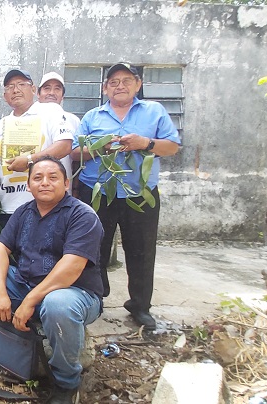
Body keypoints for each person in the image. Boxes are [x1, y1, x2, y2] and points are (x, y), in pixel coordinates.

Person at [0, 156, 103, 404]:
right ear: (29, 184)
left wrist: (30, 300)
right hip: (24, 282)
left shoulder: (82, 215)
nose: (45, 183)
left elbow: (71, 267)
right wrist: (0, 291)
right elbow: (1, 248)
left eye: (53, 177)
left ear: (66, 183)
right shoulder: (24, 211)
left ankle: (66, 382)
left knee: (57, 305)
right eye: (38, 178)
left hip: (75, 293)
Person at [71, 62, 181, 330]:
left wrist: (146, 143)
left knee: (141, 250)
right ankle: (95, 297)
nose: (120, 85)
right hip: (97, 193)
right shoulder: (92, 116)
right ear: (105, 88)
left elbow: (172, 147)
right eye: (114, 81)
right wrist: (100, 147)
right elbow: (75, 152)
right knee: (94, 248)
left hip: (140, 194)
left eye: (126, 80)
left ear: (138, 84)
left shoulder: (154, 112)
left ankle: (140, 306)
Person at [0, 69, 75, 227]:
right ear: (5, 96)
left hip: (46, 204)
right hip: (7, 205)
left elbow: (64, 145)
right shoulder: (3, 123)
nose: (16, 90)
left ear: (34, 90)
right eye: (10, 87)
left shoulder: (50, 111)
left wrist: (29, 160)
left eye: (21, 84)